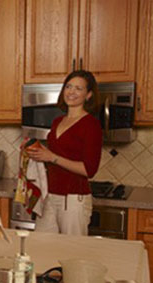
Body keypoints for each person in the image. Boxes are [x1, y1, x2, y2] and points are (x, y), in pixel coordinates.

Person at [26, 70, 102, 235]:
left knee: (71, 252)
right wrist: (37, 154)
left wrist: (52, 157)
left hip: (74, 199)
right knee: (42, 247)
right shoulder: (57, 121)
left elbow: (89, 170)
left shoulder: (91, 125)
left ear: (88, 95)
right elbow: (55, 156)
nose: (71, 92)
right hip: (49, 196)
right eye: (68, 86)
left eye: (78, 88)